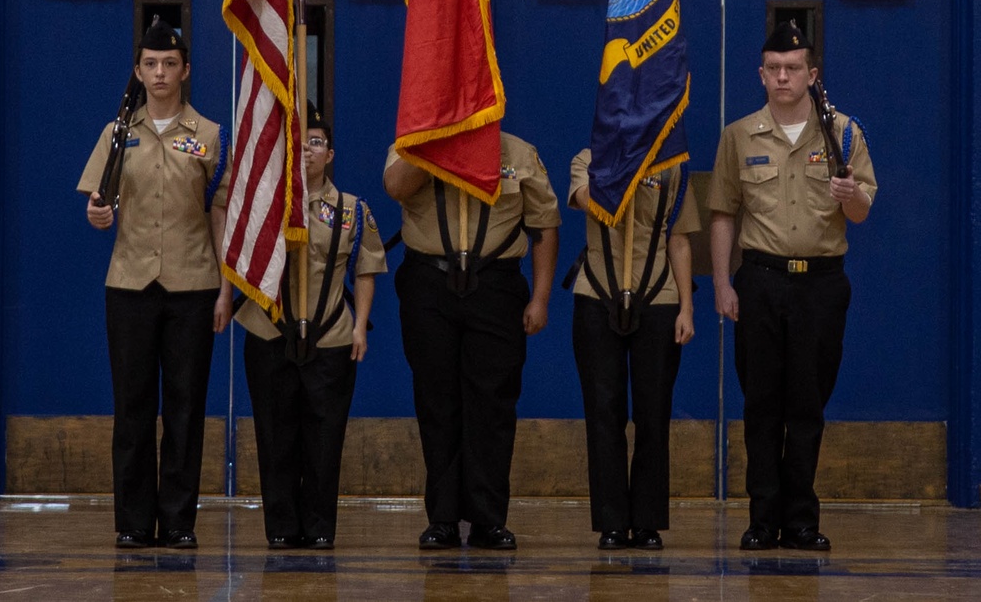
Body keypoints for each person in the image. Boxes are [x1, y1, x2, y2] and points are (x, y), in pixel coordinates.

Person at [708, 20, 876, 553]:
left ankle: (801, 519)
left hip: (821, 286)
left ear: (812, 74)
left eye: (793, 68)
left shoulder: (844, 133)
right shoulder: (739, 135)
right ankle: (762, 520)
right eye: (774, 69)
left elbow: (862, 211)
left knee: (808, 403)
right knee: (761, 404)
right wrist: (720, 284)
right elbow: (721, 214)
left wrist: (849, 193)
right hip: (759, 282)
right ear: (761, 74)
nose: (783, 77)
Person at [77, 18, 232, 549]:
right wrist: (99, 213)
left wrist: (226, 289)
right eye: (150, 64)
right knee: (133, 406)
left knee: (187, 408)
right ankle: (135, 521)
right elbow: (101, 200)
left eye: (170, 64)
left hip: (192, 284)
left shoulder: (209, 135)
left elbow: (221, 213)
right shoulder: (118, 133)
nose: (160, 72)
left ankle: (180, 521)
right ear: (138, 71)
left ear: (186, 70)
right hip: (130, 284)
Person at [384, 129, 561, 551]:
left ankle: (488, 519)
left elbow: (544, 226)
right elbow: (396, 186)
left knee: (492, 406)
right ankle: (442, 518)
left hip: (496, 286)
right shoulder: (411, 142)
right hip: (429, 282)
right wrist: (432, 138)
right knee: (436, 402)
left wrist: (540, 297)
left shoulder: (519, 152)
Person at [236, 112, 386, 549]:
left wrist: (360, 327)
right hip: (269, 333)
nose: (308, 151)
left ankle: (319, 528)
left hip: (332, 337)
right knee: (275, 434)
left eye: (316, 143)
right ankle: (281, 527)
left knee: (324, 438)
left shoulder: (352, 209)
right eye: (299, 143)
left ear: (330, 154)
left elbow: (366, 270)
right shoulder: (266, 205)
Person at [569, 151, 699, 551]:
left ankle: (647, 522)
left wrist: (687, 308)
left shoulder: (675, 164)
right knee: (604, 412)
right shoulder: (589, 158)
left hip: (659, 296)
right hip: (597, 295)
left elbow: (678, 238)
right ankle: (611, 523)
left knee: (653, 412)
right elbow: (590, 201)